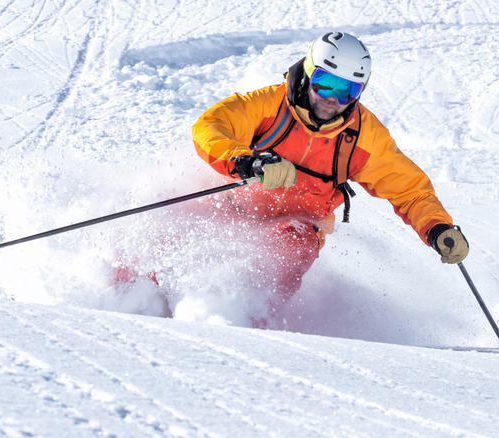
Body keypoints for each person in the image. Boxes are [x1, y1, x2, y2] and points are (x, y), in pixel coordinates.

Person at [192, 31, 469, 304]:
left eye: (348, 91)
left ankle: (248, 317)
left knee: (294, 246)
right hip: (230, 208)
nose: (333, 99)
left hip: (294, 227)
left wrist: (437, 227)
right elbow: (211, 125)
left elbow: (409, 190)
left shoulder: (363, 136)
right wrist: (246, 161)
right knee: (186, 238)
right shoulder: (269, 106)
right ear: (309, 73)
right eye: (325, 83)